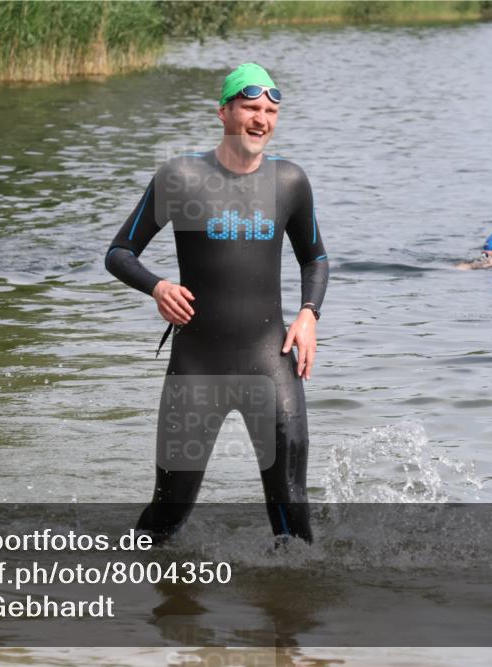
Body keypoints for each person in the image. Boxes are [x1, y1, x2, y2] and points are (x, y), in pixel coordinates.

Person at [105, 63, 328, 545]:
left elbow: (316, 259)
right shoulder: (182, 176)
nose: (261, 120)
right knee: (169, 510)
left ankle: (292, 613)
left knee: (291, 507)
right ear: (224, 111)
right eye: (250, 108)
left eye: (270, 111)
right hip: (197, 368)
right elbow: (119, 253)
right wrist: (157, 287)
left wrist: (309, 314)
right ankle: (134, 606)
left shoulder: (289, 182)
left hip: (270, 362)